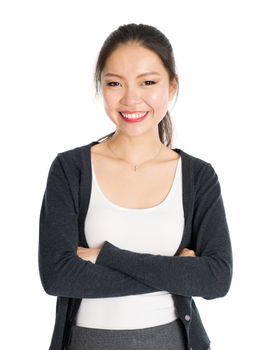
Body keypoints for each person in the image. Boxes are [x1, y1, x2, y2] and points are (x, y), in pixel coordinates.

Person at [38, 23, 233, 350]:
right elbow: (58, 276)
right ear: (101, 86)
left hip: (170, 340)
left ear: (172, 87)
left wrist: (105, 256)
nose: (131, 99)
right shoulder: (70, 169)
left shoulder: (198, 177)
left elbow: (215, 280)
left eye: (148, 82)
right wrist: (175, 272)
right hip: (88, 342)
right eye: (115, 83)